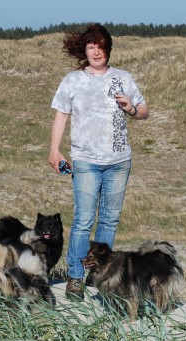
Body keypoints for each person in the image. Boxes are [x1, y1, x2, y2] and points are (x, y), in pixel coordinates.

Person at [48, 23, 149, 300]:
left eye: (100, 46)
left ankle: (99, 274)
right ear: (85, 49)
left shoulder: (122, 78)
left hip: (118, 161)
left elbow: (143, 111)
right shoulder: (73, 79)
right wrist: (54, 150)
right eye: (91, 46)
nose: (95, 51)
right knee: (83, 220)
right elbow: (61, 115)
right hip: (86, 160)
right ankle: (76, 279)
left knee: (109, 221)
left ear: (108, 49)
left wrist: (130, 107)